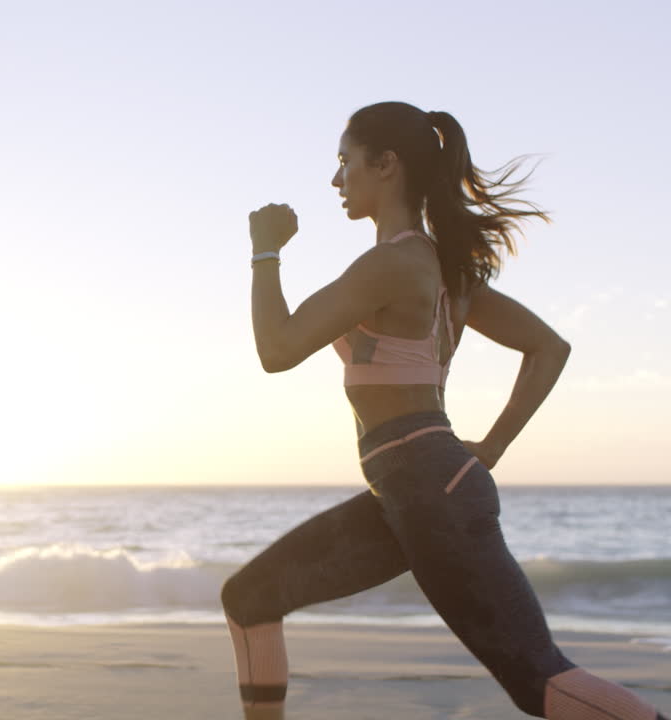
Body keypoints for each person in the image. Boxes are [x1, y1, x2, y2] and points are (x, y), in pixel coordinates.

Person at [221, 101, 667, 720]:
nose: (336, 179)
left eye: (344, 161)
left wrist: (264, 252)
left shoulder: (392, 264)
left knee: (539, 682)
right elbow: (548, 348)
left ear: (386, 164)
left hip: (430, 491)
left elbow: (277, 349)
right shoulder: (441, 271)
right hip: (411, 491)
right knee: (250, 597)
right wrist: (490, 449)